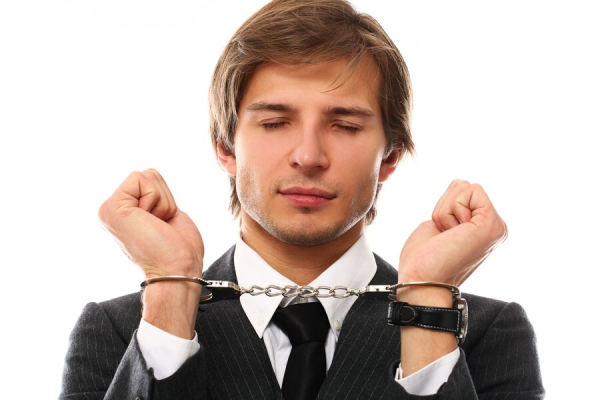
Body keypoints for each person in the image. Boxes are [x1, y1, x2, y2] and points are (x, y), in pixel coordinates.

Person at [60, 0, 544, 399]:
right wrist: (169, 292)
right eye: (275, 123)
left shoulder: (486, 334)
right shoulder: (122, 331)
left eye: (345, 125)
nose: (308, 157)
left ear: (391, 156)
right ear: (226, 147)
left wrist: (427, 308)